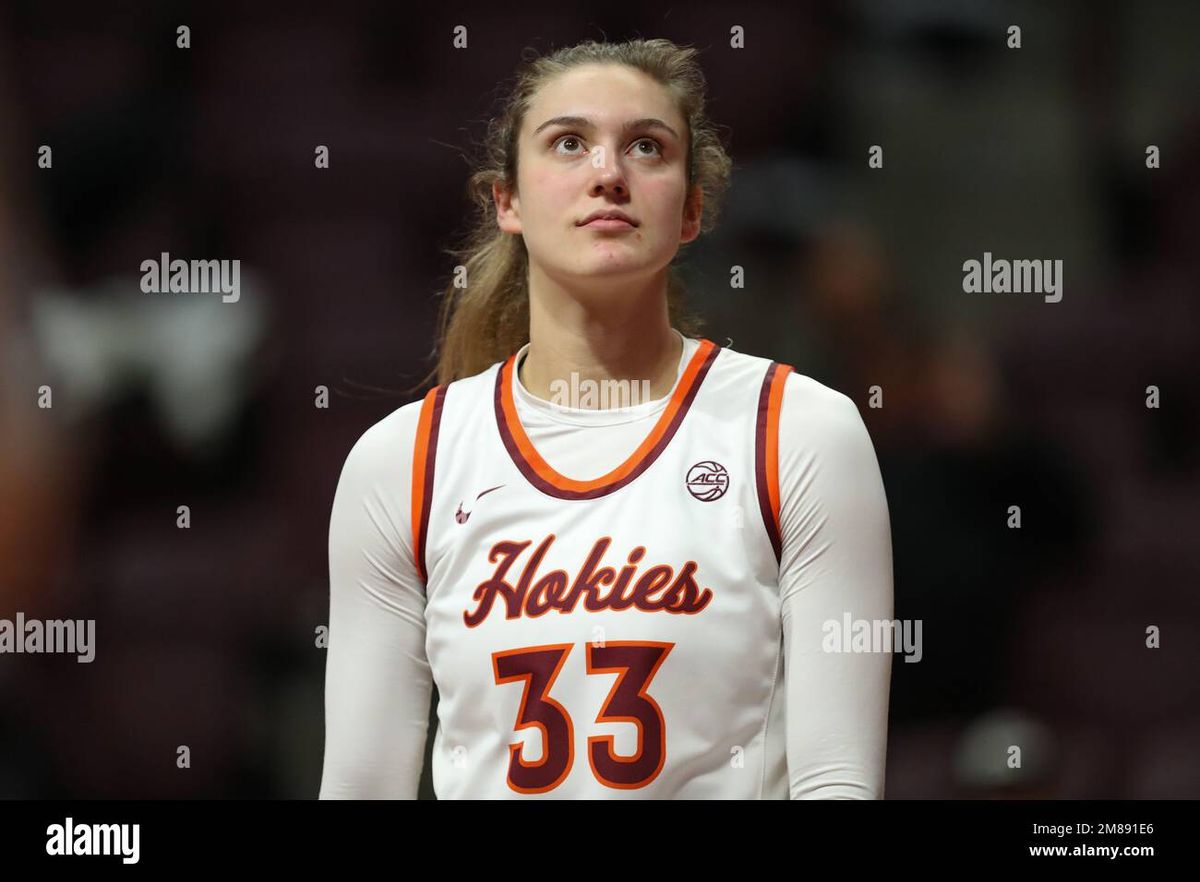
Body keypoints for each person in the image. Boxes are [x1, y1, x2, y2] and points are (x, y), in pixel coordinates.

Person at [319, 37, 893, 799]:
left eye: (647, 148)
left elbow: (839, 781)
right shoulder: (402, 461)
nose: (607, 175)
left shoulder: (801, 432)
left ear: (691, 210)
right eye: (568, 143)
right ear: (508, 201)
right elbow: (361, 786)